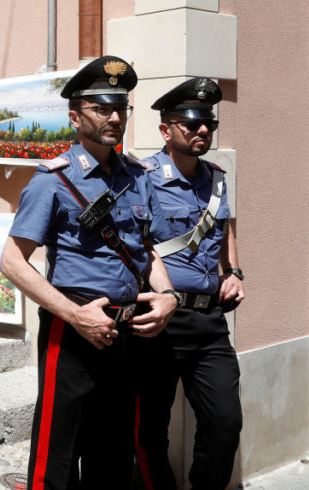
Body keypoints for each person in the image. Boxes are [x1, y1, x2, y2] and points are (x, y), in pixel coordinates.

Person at [0, 55, 181, 489]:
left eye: (121, 108)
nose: (115, 117)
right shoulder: (52, 181)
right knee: (58, 449)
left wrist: (169, 295)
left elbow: (148, 250)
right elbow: (11, 261)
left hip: (128, 331)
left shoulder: (138, 177)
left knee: (112, 452)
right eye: (103, 108)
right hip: (74, 329)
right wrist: (74, 315)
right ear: (75, 116)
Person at [134, 77, 243, 490]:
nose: (202, 131)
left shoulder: (217, 178)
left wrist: (233, 273)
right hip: (161, 322)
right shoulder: (142, 177)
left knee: (226, 421)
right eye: (190, 124)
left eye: (208, 125)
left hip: (210, 321)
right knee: (150, 430)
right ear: (166, 129)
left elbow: (225, 230)